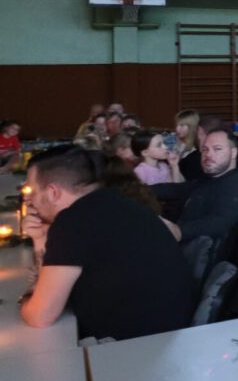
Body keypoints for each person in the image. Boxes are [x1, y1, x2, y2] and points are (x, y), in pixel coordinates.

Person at [19, 146, 193, 340]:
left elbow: (41, 316)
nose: (29, 201)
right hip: (170, 336)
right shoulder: (121, 203)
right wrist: (40, 238)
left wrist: (25, 300)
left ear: (53, 192)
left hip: (131, 347)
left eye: (32, 192)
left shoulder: (73, 220)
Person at [161, 129, 238, 255]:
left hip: (188, 256)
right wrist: (141, 189)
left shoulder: (236, 185)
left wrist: (180, 231)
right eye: (205, 149)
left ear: (233, 153)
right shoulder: (209, 179)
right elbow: (177, 189)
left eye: (217, 149)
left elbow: (220, 222)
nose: (208, 155)